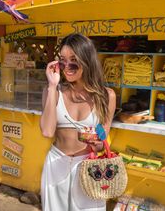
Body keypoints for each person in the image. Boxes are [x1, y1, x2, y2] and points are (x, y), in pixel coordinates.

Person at [40, 33, 116, 211]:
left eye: (74, 60)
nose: (67, 67)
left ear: (87, 60)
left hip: (88, 168)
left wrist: (97, 143)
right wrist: (52, 86)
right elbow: (47, 132)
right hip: (56, 164)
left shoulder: (106, 96)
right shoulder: (54, 92)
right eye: (62, 61)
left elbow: (102, 138)